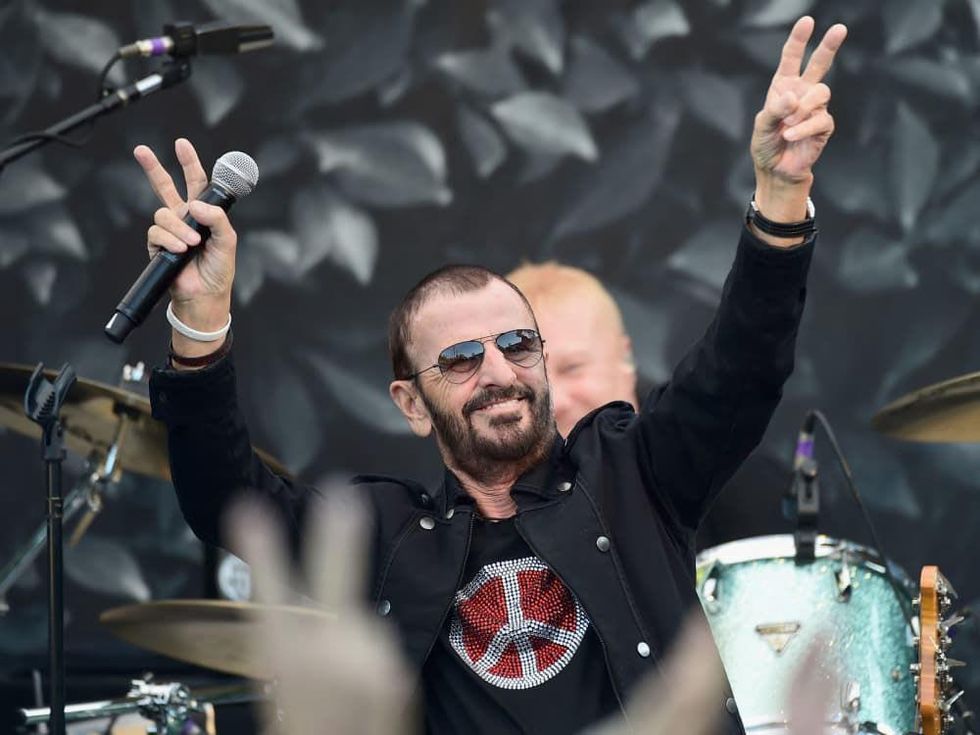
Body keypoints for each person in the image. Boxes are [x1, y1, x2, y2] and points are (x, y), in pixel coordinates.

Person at [141, 16, 846, 735]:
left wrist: (781, 193)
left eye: (517, 343)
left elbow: (742, 367)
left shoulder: (632, 475)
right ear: (411, 403)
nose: (499, 370)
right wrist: (199, 320)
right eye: (460, 358)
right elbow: (224, 495)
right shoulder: (385, 536)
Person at [504, 262, 792, 551]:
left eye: (573, 368)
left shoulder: (726, 470)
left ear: (625, 361)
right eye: (529, 383)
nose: (555, 402)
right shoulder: (484, 519)